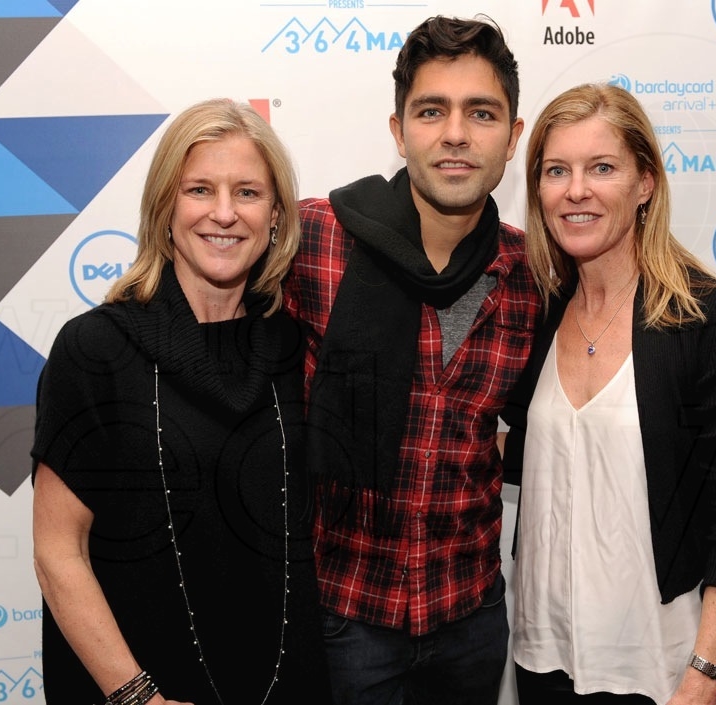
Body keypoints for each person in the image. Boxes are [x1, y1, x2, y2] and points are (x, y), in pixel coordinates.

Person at [31, 98, 331, 705]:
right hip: (142, 689)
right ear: (165, 207)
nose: (224, 213)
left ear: (276, 214)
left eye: (247, 192)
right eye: (200, 189)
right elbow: (58, 551)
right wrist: (137, 696)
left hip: (282, 681)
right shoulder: (95, 351)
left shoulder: (291, 342)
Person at [282, 15, 541, 705]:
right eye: (432, 111)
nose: (455, 133)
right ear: (399, 131)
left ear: (512, 139)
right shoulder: (313, 240)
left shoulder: (530, 276)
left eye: (481, 113)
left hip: (472, 619)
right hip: (345, 617)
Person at [501, 83, 716, 705]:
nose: (576, 191)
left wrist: (705, 678)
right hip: (544, 660)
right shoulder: (538, 314)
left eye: (602, 168)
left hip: (661, 673)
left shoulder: (710, 320)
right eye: (556, 171)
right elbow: (525, 452)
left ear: (645, 183)